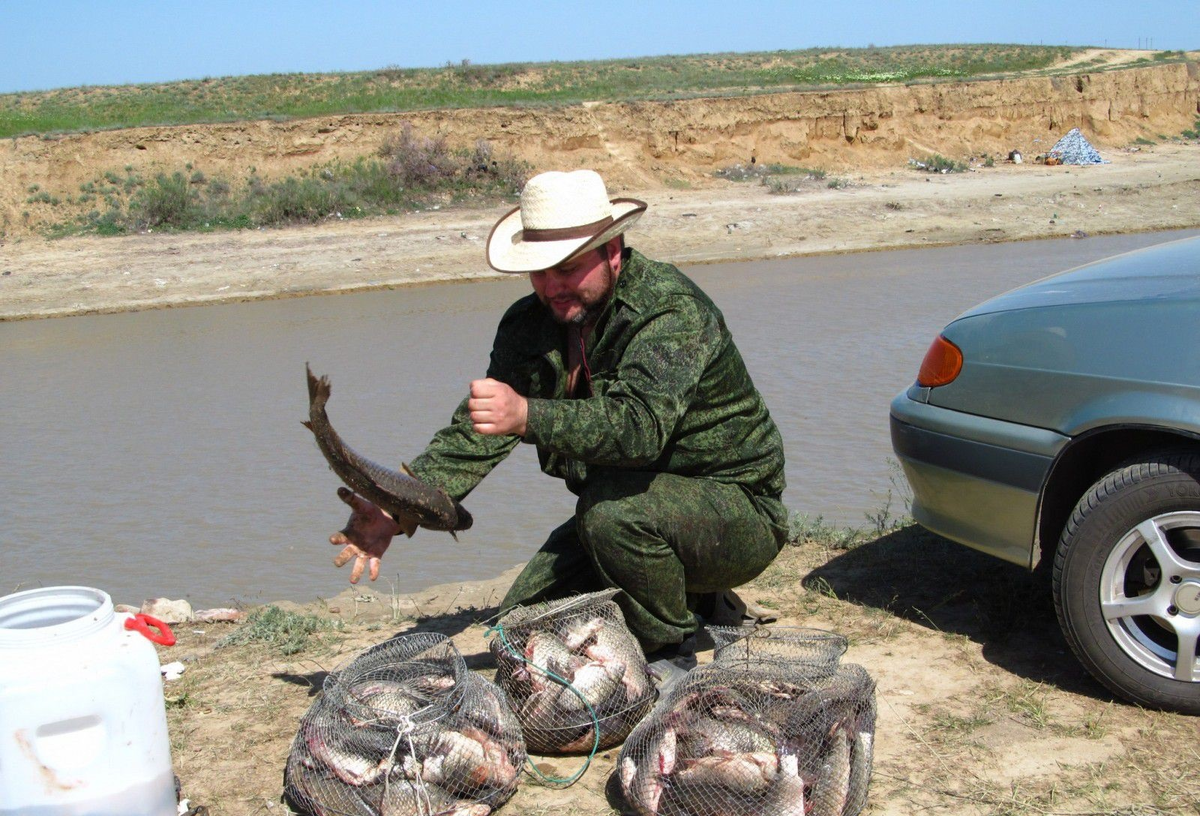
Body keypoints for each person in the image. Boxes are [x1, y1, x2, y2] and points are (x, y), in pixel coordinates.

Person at [328, 169, 789, 673]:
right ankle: (697, 600)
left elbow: (638, 429)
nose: (551, 286)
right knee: (517, 627)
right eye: (539, 271)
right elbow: (478, 431)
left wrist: (526, 415)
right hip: (627, 507)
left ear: (612, 252)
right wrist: (400, 507)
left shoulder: (668, 311)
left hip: (736, 511)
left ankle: (669, 651)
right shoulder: (528, 325)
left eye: (567, 269)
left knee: (611, 518)